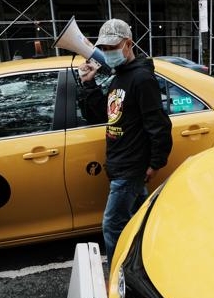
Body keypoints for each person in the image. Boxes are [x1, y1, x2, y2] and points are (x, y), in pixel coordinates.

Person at [78, 18, 173, 266]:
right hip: (121, 163)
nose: (108, 53)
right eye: (105, 48)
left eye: (113, 47)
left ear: (128, 44)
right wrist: (88, 84)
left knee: (112, 226)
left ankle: (119, 275)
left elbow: (159, 125)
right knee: (140, 220)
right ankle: (146, 264)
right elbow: (104, 115)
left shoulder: (141, 79)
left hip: (131, 167)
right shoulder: (119, 78)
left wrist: (155, 163)